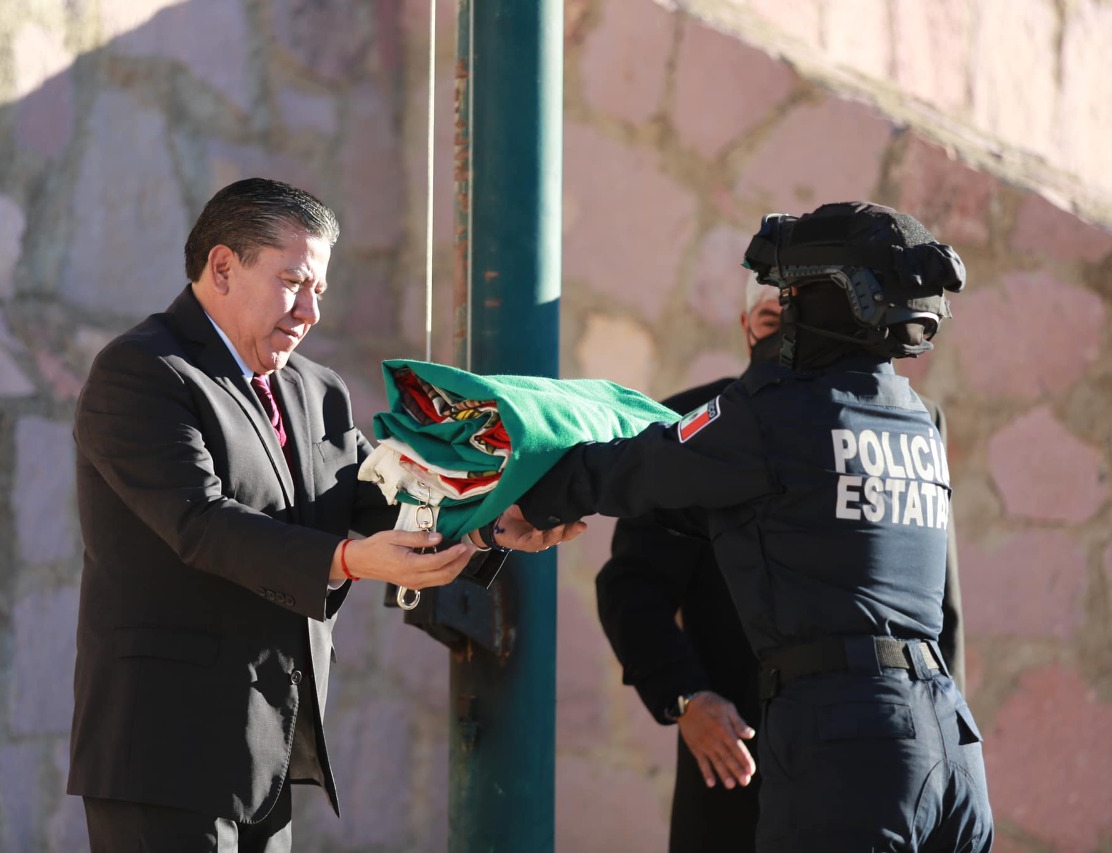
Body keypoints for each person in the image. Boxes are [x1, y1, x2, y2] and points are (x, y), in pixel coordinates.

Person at [67, 177, 577, 851]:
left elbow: (387, 498)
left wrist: (491, 521)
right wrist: (347, 560)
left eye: (320, 291)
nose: (309, 311)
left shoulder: (318, 390)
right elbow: (200, 524)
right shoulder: (142, 372)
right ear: (222, 267)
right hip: (162, 750)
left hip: (266, 750)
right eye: (293, 283)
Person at [510, 202, 993, 851]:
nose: (786, 315)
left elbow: (634, 468)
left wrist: (523, 496)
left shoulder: (772, 412)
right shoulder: (914, 421)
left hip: (843, 745)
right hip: (950, 745)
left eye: (793, 296)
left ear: (838, 300)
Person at [594, 274, 969, 852]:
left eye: (800, 321)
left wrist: (951, 738)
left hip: (883, 750)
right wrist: (685, 697)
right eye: (771, 321)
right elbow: (632, 585)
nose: (788, 338)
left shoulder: (907, 418)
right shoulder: (700, 422)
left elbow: (940, 606)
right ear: (746, 327)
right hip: (739, 754)